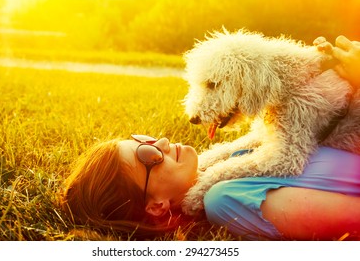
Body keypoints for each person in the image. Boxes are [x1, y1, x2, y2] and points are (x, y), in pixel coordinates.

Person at [60, 36, 360, 241]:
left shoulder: (226, 170)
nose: (161, 143)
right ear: (156, 206)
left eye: (145, 140)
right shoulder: (221, 199)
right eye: (148, 157)